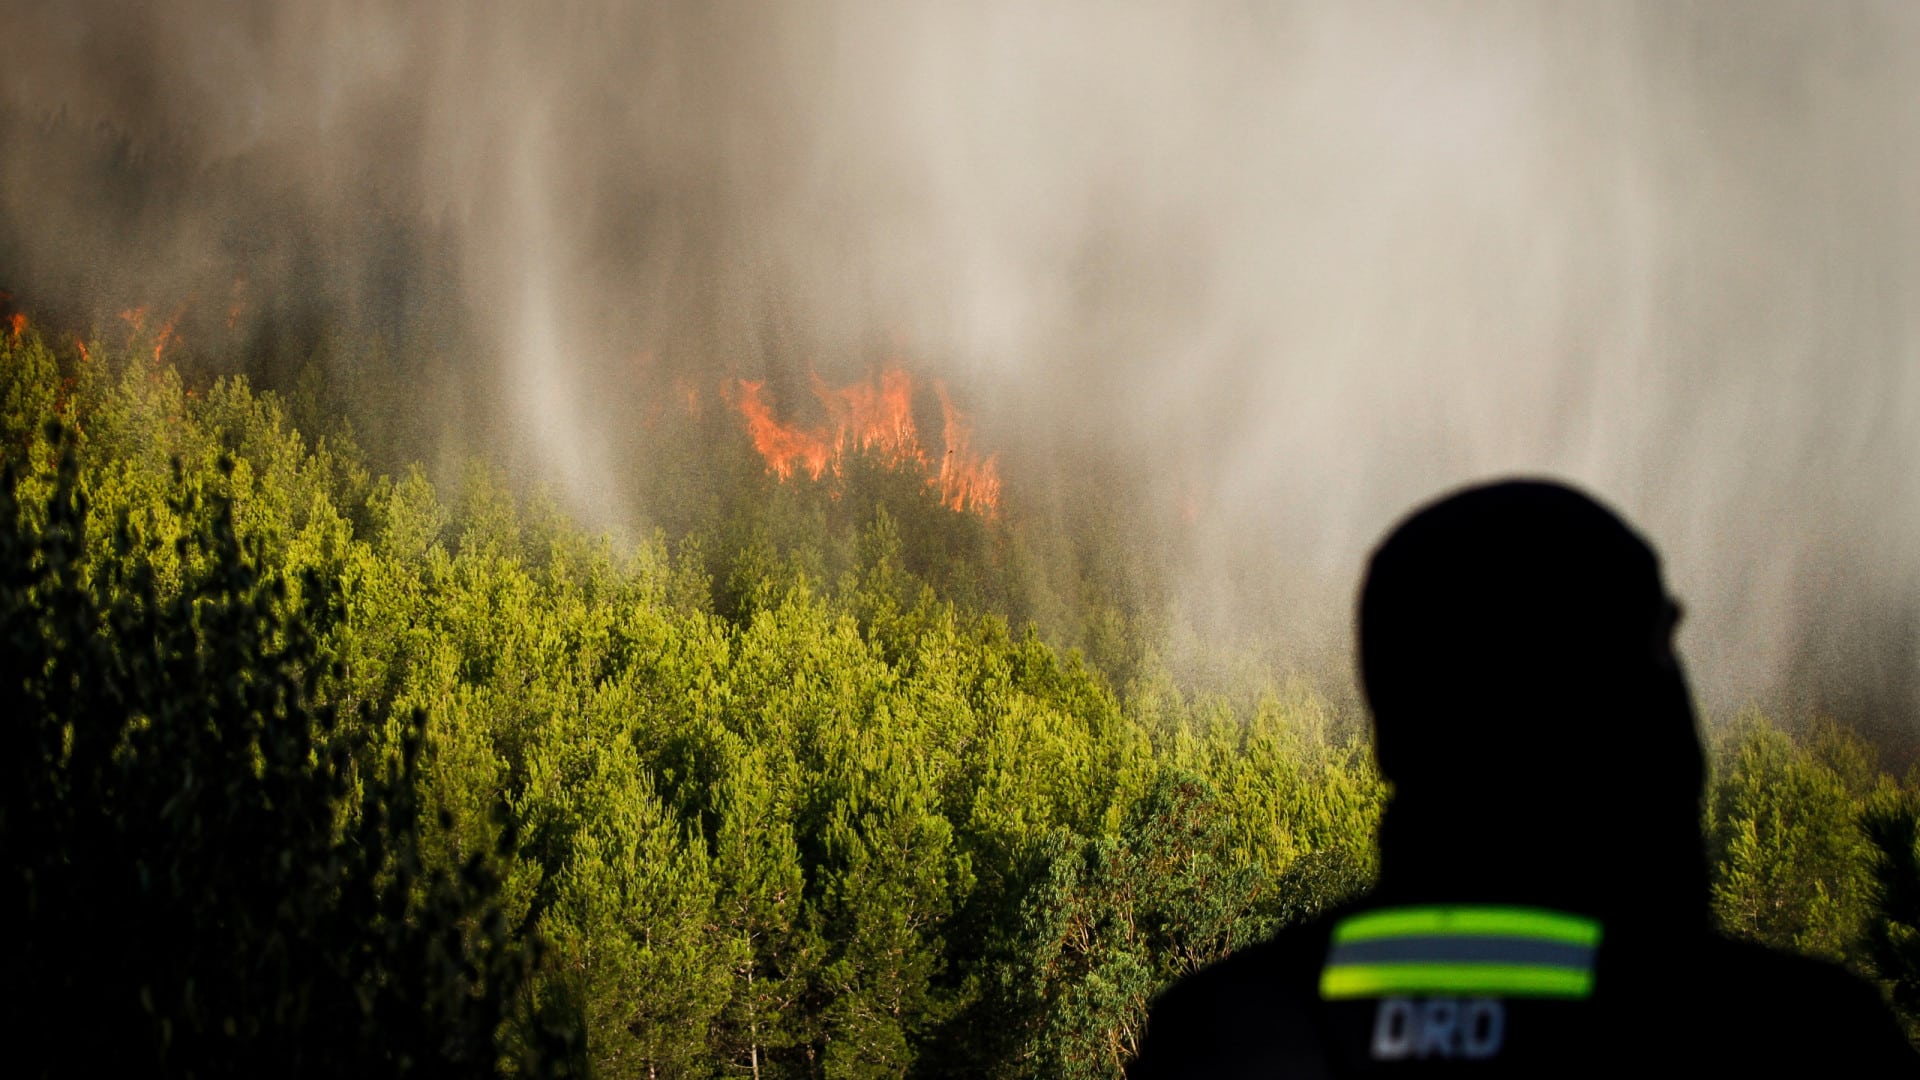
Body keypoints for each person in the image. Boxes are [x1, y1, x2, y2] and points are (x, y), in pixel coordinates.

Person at [1127, 479, 1915, 1078]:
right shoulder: (1801, 1038)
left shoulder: (1220, 1033)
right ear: (1625, 712)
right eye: (1657, 654)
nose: (1682, 702)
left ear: (1394, 731)